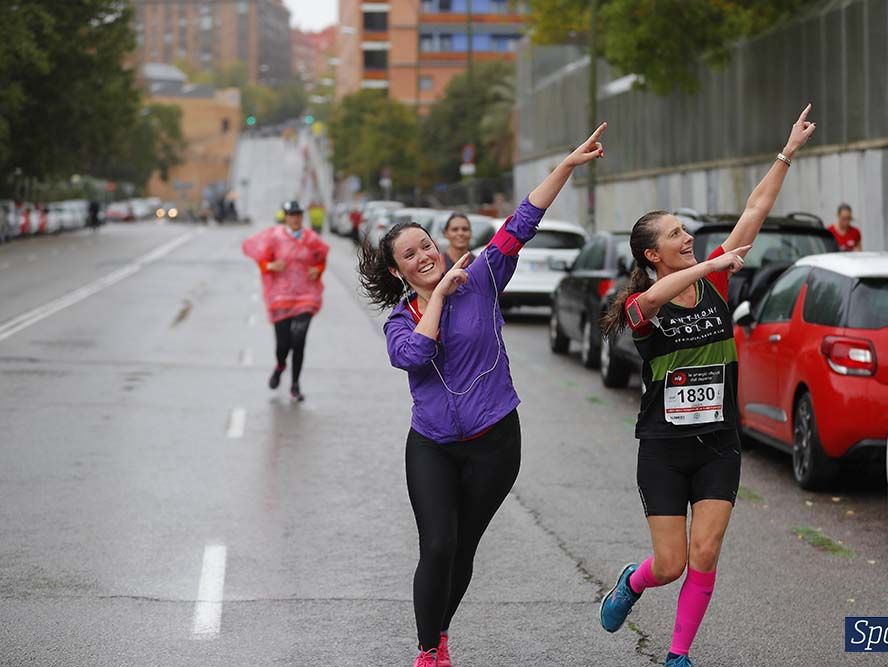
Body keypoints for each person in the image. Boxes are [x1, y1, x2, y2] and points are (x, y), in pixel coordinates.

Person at [358, 124, 607, 667]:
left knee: (464, 549)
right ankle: (429, 653)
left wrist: (565, 166)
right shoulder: (402, 322)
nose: (423, 255)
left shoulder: (486, 275)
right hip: (432, 445)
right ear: (400, 271)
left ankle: (440, 632)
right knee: (438, 547)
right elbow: (415, 358)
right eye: (409, 255)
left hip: (496, 440)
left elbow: (524, 219)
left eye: (425, 244)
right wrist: (440, 296)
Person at [597, 105, 816, 667]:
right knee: (668, 564)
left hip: (719, 444)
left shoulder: (715, 279)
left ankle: (677, 655)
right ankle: (632, 581)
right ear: (653, 254)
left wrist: (786, 153)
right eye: (675, 234)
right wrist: (707, 267)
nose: (687, 238)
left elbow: (756, 207)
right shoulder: (640, 307)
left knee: (706, 551)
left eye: (685, 230)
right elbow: (648, 300)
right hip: (664, 449)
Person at [242, 200, 329, 402]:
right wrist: (271, 266)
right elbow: (261, 258)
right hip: (280, 296)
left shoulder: (311, 239)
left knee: (299, 340)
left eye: (298, 215)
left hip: (306, 295)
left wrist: (318, 269)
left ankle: (295, 385)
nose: (295, 218)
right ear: (286, 217)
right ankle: (280, 366)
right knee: (283, 344)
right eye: (291, 215)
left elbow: (321, 257)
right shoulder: (274, 237)